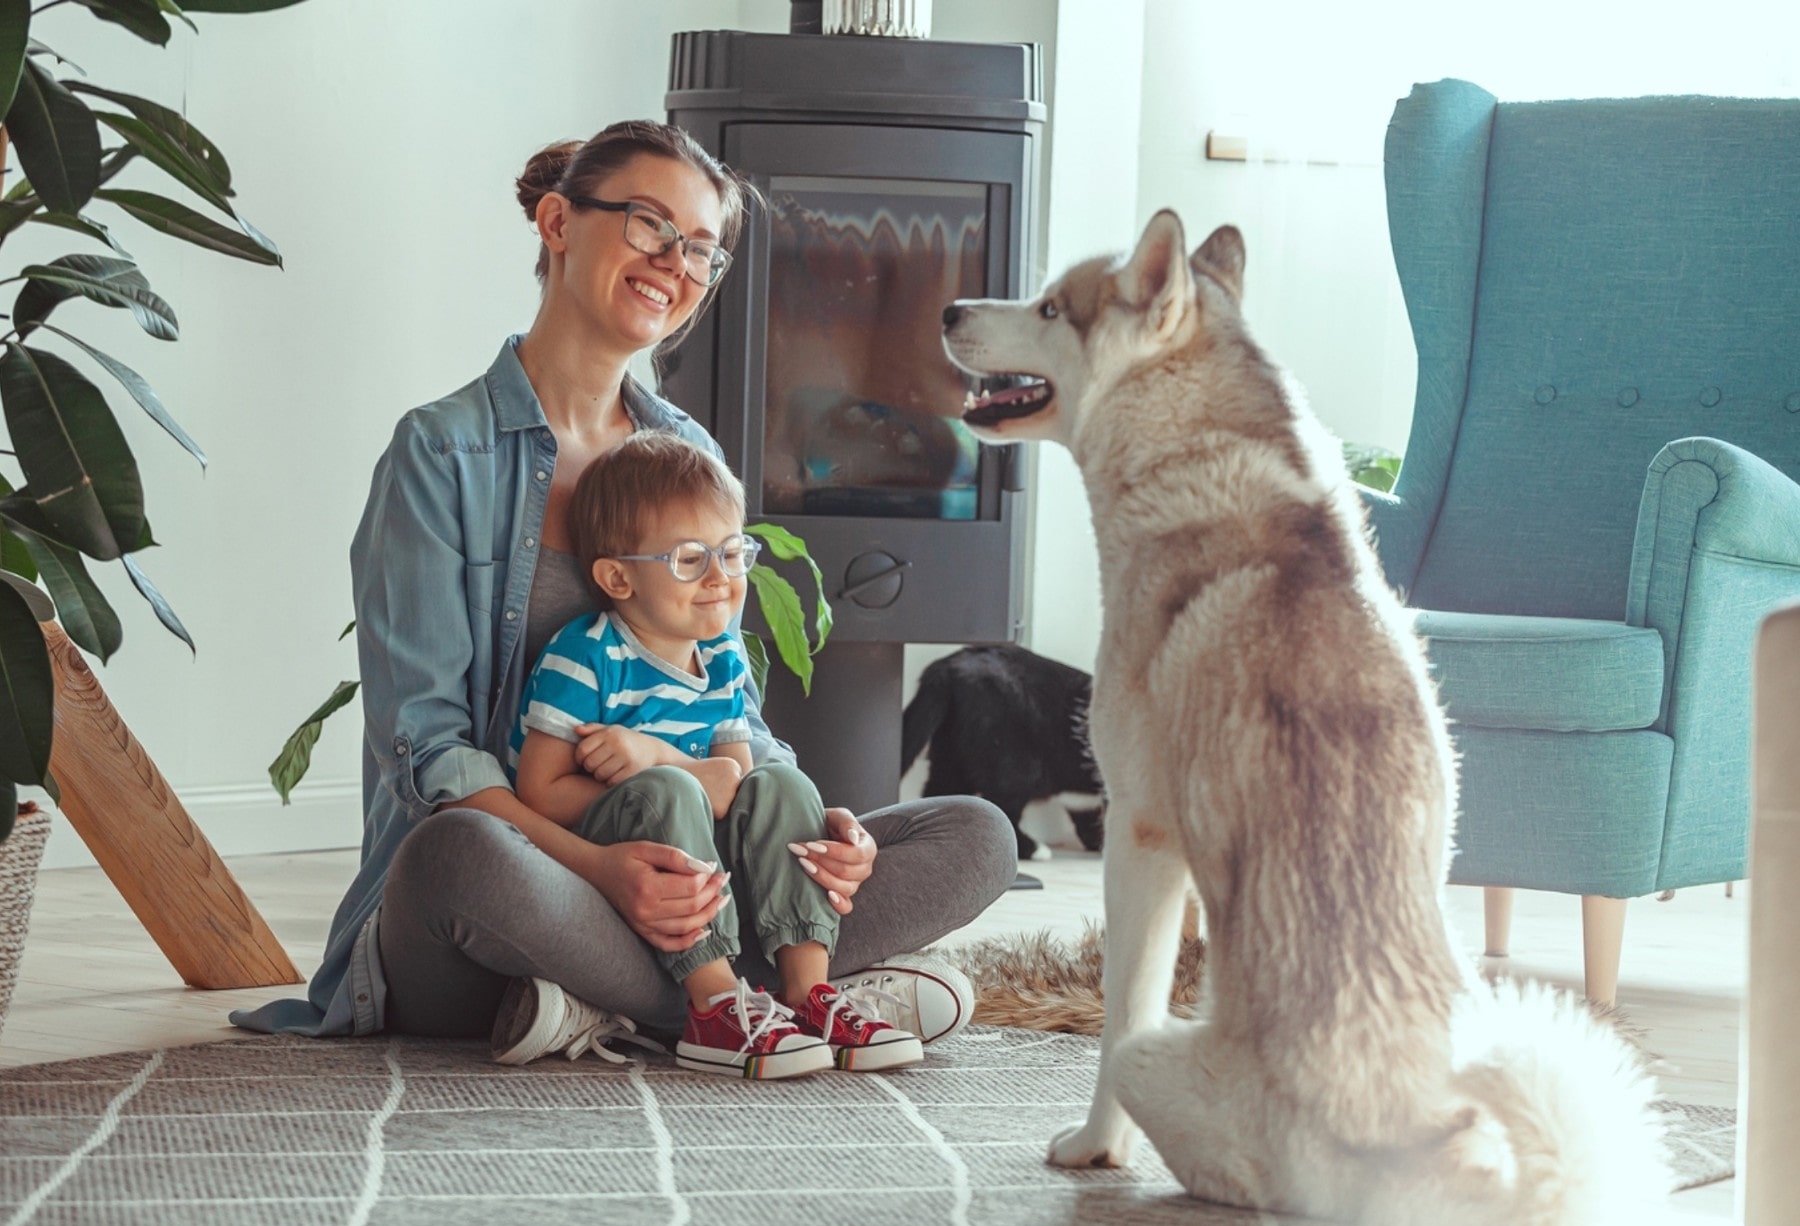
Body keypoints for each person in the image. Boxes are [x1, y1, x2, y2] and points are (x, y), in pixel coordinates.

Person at [229, 119, 1016, 1061]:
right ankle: (765, 991)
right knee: (454, 855)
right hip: (517, 884)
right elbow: (433, 761)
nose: (674, 264)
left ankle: (643, 1002)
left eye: (700, 249)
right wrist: (603, 866)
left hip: (688, 865)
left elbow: (735, 714)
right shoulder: (442, 454)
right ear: (558, 221)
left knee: (972, 832)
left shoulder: (688, 457)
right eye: (648, 225)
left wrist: (815, 829)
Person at [512, 431, 923, 1077]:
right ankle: (712, 1003)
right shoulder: (585, 656)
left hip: (716, 859)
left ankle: (806, 993)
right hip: (623, 864)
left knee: (787, 786)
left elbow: (737, 781)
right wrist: (671, 779)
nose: (720, 579)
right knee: (670, 794)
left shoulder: (725, 660)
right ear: (618, 576)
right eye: (688, 560)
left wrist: (654, 754)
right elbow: (536, 794)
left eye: (733, 554)